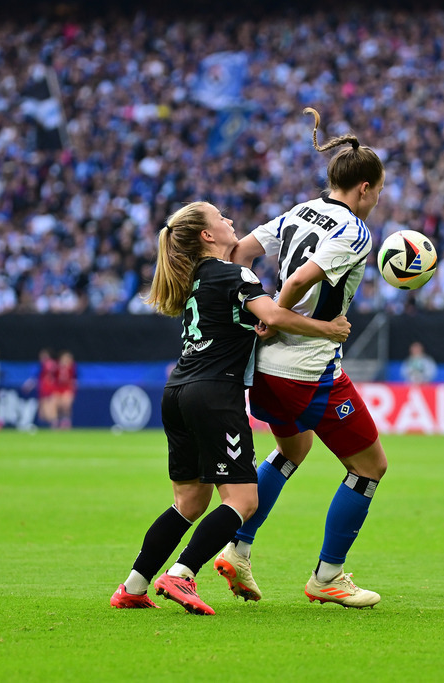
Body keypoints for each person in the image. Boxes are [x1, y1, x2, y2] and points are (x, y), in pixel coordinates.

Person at [110, 201, 351, 616]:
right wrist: (327, 328)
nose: (230, 222)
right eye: (221, 218)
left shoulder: (195, 281)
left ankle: (134, 585)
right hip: (214, 397)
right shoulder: (234, 272)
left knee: (188, 502)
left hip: (178, 391)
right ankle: (182, 573)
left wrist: (258, 330)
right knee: (243, 500)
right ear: (207, 235)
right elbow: (274, 312)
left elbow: (247, 324)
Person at [219, 107, 386, 608]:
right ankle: (328, 576)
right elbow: (294, 283)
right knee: (370, 466)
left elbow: (240, 253)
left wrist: (254, 311)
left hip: (265, 373)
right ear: (363, 189)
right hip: (308, 371)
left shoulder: (298, 211)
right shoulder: (356, 232)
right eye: (378, 190)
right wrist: (272, 315)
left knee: (293, 452)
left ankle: (239, 548)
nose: (377, 200)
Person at [23, 349, 58, 429]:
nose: (43, 358)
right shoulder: (40, 366)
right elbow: (34, 378)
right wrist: (28, 386)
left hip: (51, 390)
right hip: (43, 391)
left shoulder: (53, 365)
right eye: (42, 356)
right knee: (43, 413)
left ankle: (54, 426)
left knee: (51, 409)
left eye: (45, 356)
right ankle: (48, 427)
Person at [54, 350, 77, 429]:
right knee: (58, 405)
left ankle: (66, 422)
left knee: (66, 405)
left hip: (67, 388)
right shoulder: (56, 367)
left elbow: (74, 379)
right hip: (58, 388)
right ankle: (57, 421)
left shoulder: (72, 368)